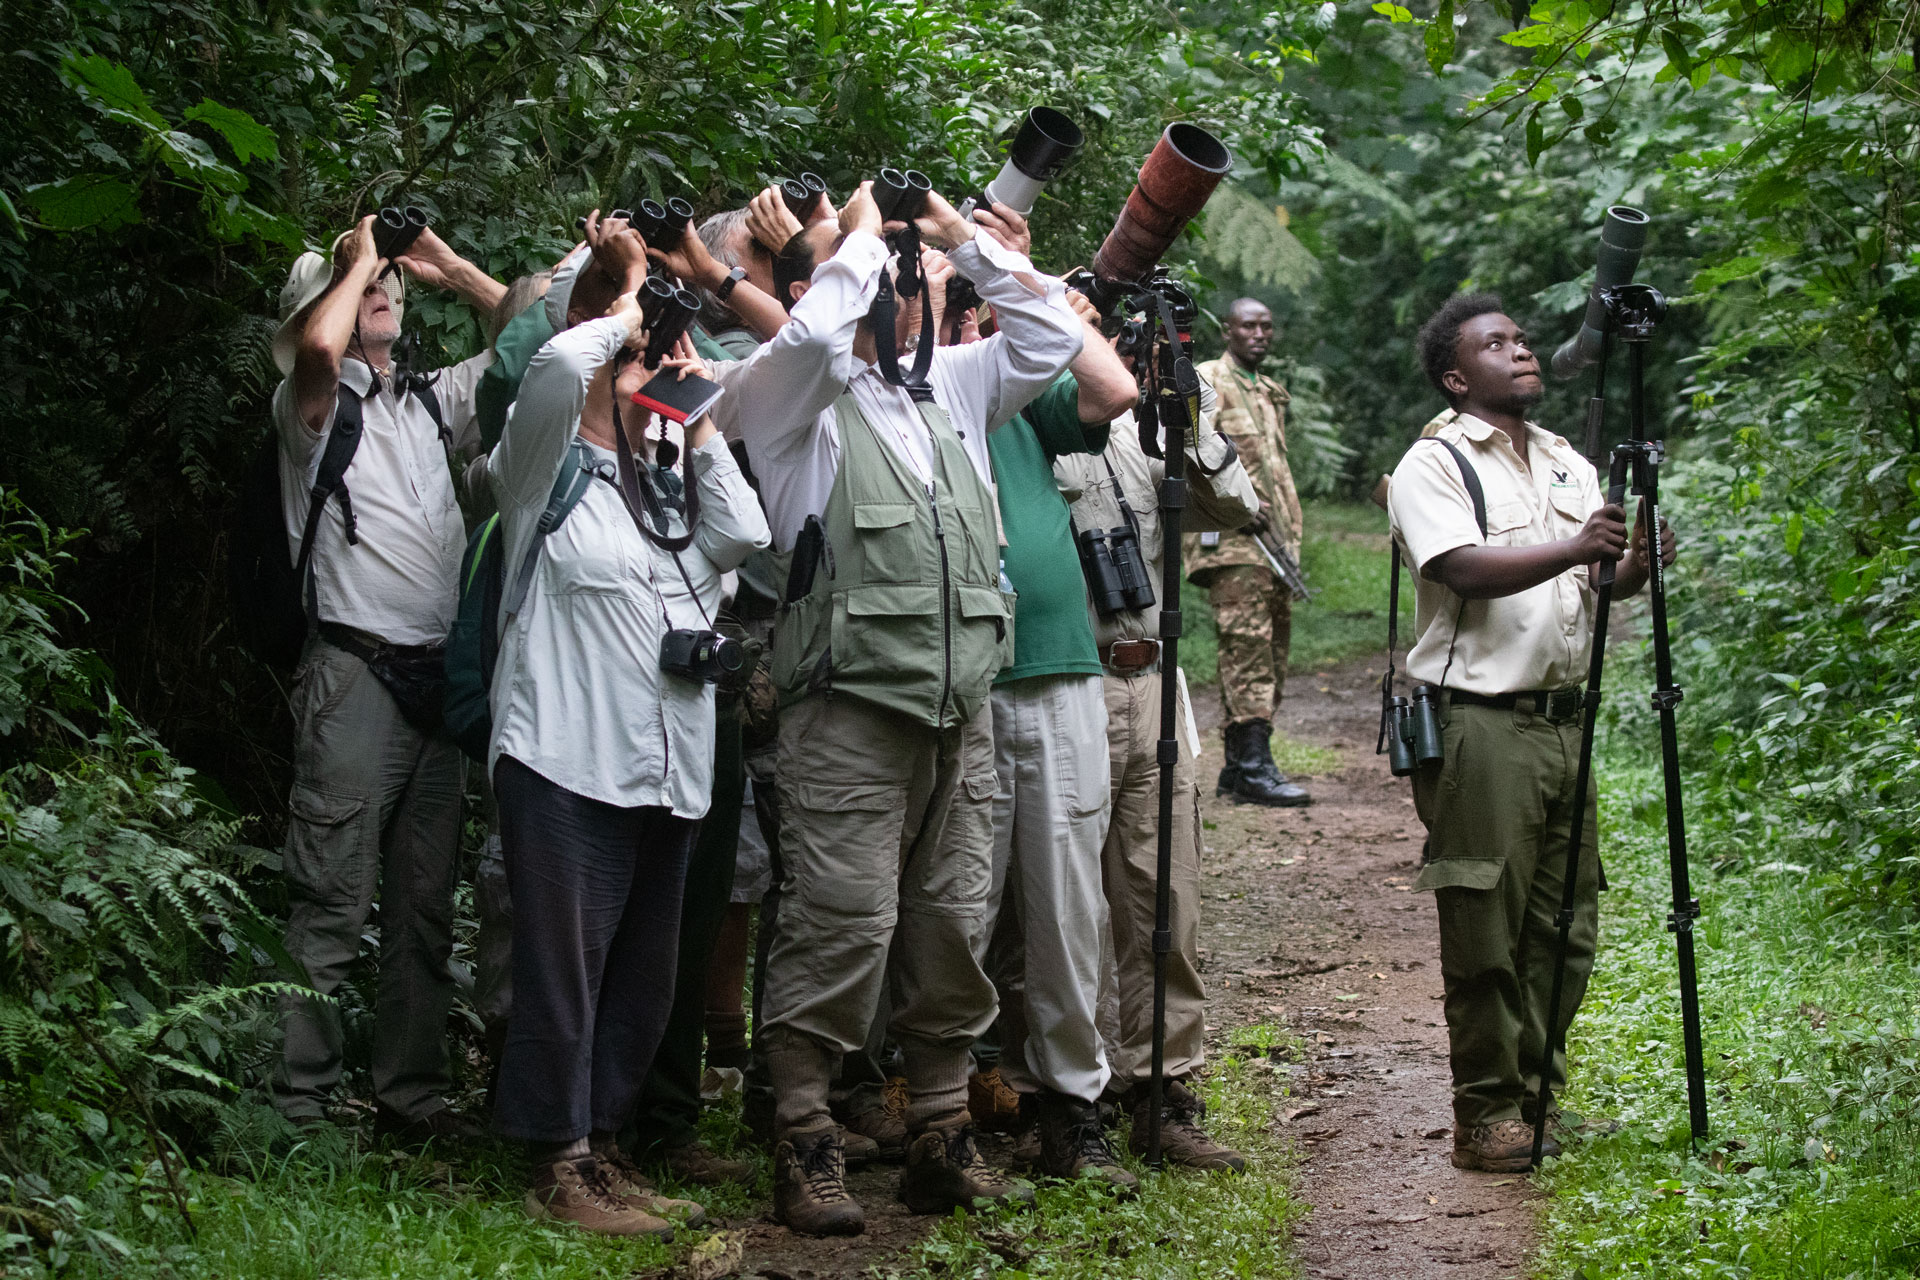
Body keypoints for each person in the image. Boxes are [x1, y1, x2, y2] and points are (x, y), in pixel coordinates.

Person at [709, 181, 1083, 1235]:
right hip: (849, 716)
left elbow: (1052, 330)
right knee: (839, 926)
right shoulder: (790, 406)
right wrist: (860, 240)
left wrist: (966, 238)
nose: (916, 292)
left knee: (953, 923)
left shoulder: (953, 391)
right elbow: (814, 334)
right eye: (900, 280)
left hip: (958, 711)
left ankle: (940, 1132)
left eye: (924, 282)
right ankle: (804, 1136)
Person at [485, 211, 770, 1235]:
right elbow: (561, 362)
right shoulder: (541, 467)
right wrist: (625, 294)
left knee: (642, 975)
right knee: (565, 972)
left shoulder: (668, 485)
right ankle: (554, 1160)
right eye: (642, 349)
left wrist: (689, 412)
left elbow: (747, 531)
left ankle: (604, 1148)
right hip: (563, 757)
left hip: (666, 764)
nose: (654, 354)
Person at [1386, 293, 1675, 1173]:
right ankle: (1486, 1111)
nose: (1521, 351)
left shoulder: (1564, 462)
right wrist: (1578, 547)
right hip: (1479, 724)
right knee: (1485, 924)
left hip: (1563, 721)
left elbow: (1591, 583)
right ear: (1455, 373)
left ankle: (1536, 1091)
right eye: (1495, 343)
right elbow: (1461, 567)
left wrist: (1627, 567)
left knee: (1563, 925)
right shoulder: (1431, 465)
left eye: (1521, 339)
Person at [268, 215, 504, 1142]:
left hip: (433, 685)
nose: (379, 295)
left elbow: (536, 336)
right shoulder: (307, 407)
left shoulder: (427, 402)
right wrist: (356, 257)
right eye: (362, 289)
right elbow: (320, 354)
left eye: (385, 287)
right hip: (353, 674)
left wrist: (450, 266)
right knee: (330, 900)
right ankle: (299, 1111)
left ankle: (414, 1099)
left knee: (422, 908)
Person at [1054, 350, 1259, 1173]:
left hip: (1153, 682)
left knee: (1163, 896)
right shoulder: (1034, 424)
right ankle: (1053, 1096)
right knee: (1058, 907)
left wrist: (1190, 417)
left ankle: (1160, 1086)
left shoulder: (1149, 433)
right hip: (1070, 679)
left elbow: (1237, 508)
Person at [969, 281, 1139, 1190]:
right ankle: (933, 1102)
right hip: (947, 680)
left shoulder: (1018, 375)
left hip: (1056, 668)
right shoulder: (894, 382)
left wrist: (1027, 289)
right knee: (949, 907)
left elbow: (1113, 392)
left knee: (1069, 903)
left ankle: (1074, 1107)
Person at [1185, 297, 1311, 808]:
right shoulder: (1206, 378)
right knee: (1247, 648)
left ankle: (1241, 766)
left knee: (1272, 649)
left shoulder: (1270, 393)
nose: (1259, 334)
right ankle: (1254, 767)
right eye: (1248, 326)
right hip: (1231, 543)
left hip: (1277, 545)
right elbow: (1189, 445)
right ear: (1228, 330)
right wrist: (1234, 498)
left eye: (1266, 326)